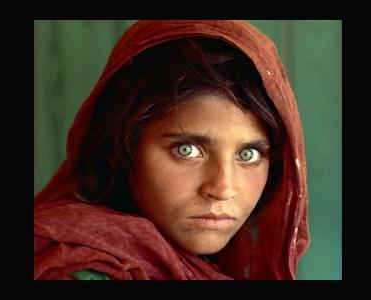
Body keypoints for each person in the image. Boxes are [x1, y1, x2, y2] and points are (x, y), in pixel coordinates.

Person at [34, 20, 310, 280]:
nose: (223, 189)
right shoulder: (75, 268)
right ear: (121, 146)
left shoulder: (214, 263)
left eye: (248, 154)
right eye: (187, 150)